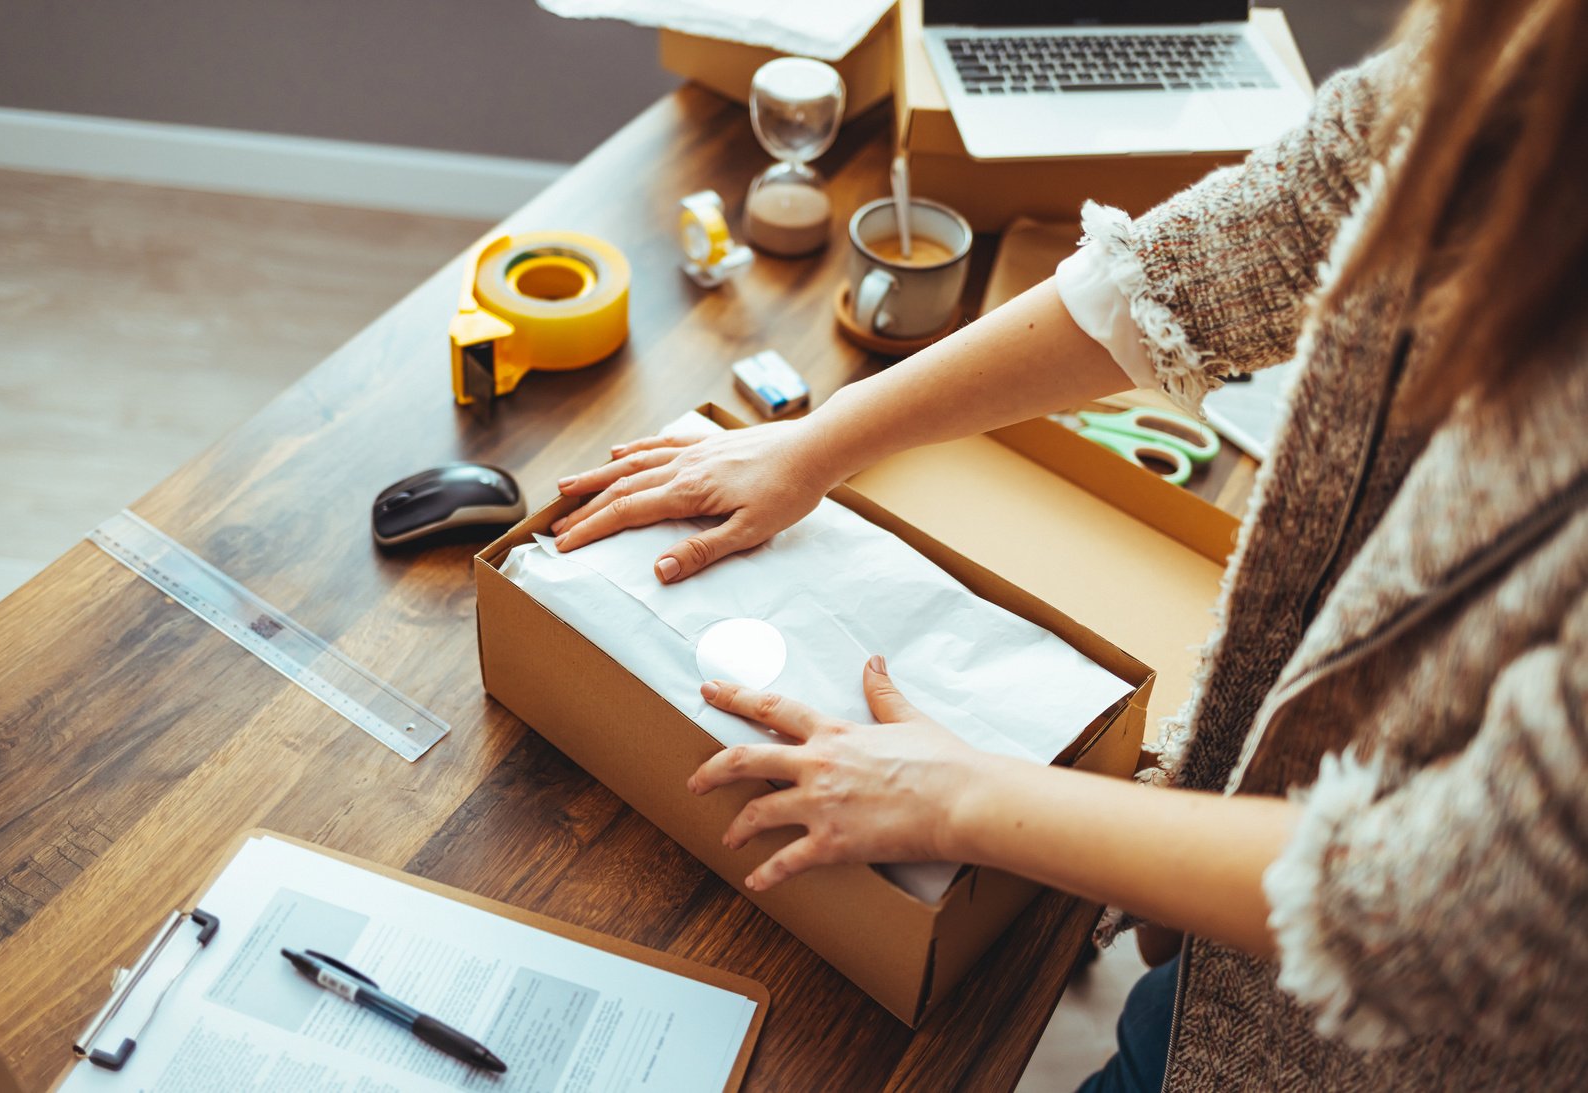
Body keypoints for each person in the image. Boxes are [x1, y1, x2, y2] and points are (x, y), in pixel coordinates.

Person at [551, 0, 1588, 1086]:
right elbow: (1209, 260)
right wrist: (817, 442)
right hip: (1226, 950)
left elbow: (1449, 902)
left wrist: (962, 795)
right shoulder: (1517, 61)